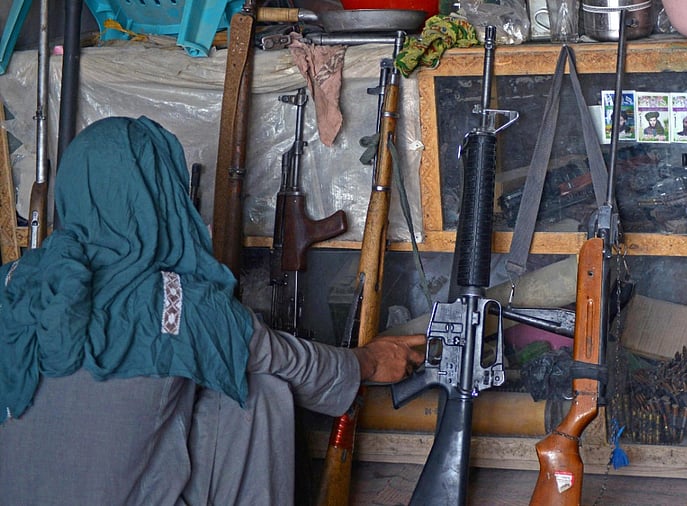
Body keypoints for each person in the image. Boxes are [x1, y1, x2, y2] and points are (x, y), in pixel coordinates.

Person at [0, 116, 425, 504]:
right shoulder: (173, 301)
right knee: (261, 391)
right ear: (161, 197)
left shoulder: (11, 281)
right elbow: (290, 362)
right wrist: (367, 362)